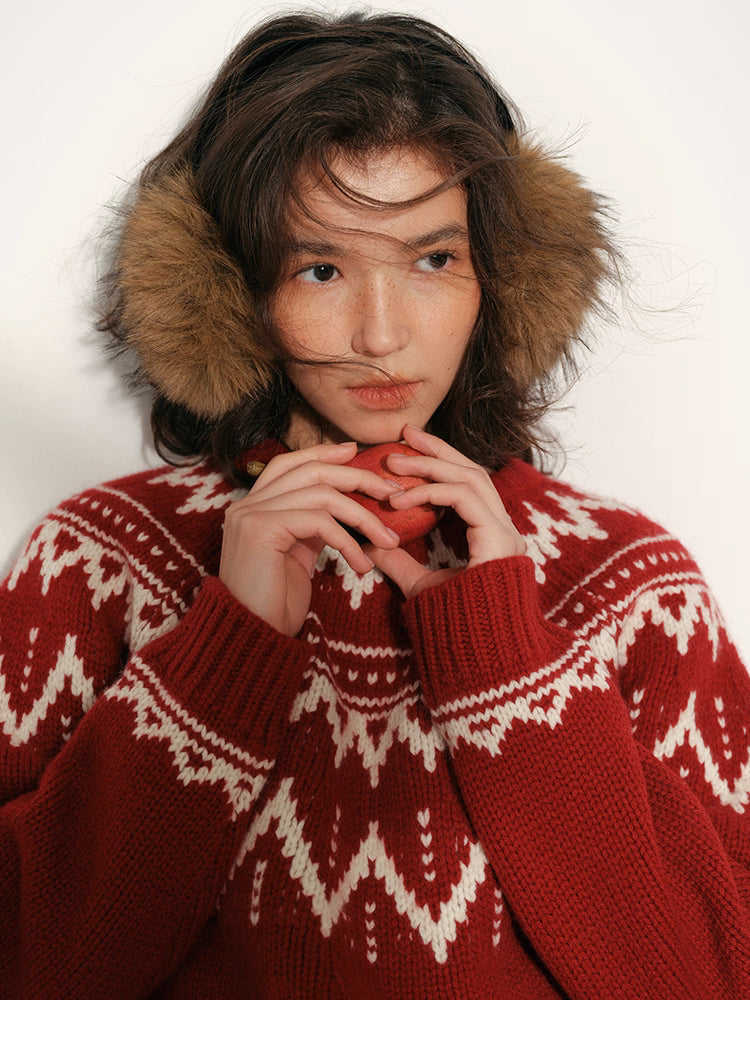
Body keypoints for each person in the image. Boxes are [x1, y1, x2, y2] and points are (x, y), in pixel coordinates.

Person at [1, 9, 748, 1000]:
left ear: (504, 277)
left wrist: (509, 660)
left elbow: (708, 995)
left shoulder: (634, 585)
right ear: (228, 291)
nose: (382, 335)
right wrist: (225, 654)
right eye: (319, 268)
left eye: (433, 260)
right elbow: (28, 979)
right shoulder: (95, 560)